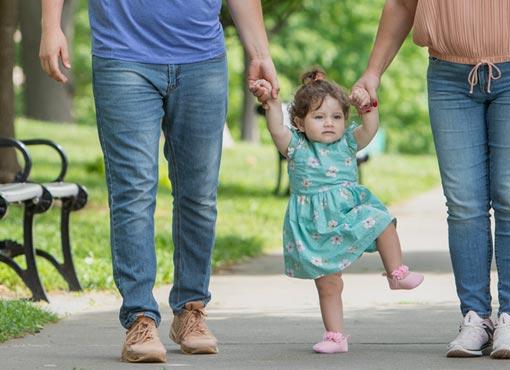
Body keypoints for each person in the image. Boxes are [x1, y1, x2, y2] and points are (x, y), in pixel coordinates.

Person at [39, 0, 279, 363]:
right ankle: (139, 317)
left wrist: (259, 52)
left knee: (199, 195)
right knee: (133, 192)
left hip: (202, 57)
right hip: (123, 55)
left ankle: (191, 311)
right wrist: (51, 25)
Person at [352, 0, 510, 360]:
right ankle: (475, 318)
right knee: (463, 203)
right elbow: (402, 4)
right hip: (449, 75)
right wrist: (373, 71)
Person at [250, 69, 424, 354]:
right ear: (300, 123)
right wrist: (270, 104)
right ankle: (335, 336)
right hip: (314, 225)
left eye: (336, 117)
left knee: (382, 221)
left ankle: (396, 272)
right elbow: (276, 129)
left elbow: (370, 128)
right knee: (328, 284)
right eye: (319, 117)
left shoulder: (347, 143)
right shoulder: (295, 147)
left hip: (347, 214)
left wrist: (366, 106)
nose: (329, 123)